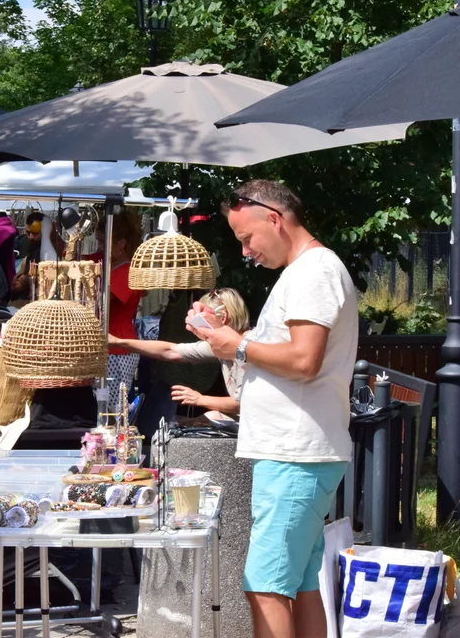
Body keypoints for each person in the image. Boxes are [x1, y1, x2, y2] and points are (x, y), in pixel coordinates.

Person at [188, 180, 356, 638]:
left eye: (247, 238)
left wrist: (238, 345)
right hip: (298, 450)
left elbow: (304, 360)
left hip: (296, 451)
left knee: (265, 587)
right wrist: (225, 339)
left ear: (275, 220)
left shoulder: (311, 273)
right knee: (299, 584)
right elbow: (288, 356)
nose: (246, 251)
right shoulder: (308, 271)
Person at [108, 287, 250, 414]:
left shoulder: (249, 348)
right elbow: (170, 350)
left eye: (200, 322)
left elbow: (242, 403)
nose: (197, 330)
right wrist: (118, 342)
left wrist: (199, 399)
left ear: (223, 318)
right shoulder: (218, 345)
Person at [90, 212, 144, 409]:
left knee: (112, 408)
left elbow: (100, 301)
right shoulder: (111, 265)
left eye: (104, 242)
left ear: (121, 243)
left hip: (118, 349)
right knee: (103, 404)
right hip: (110, 346)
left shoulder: (127, 271)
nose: (100, 248)